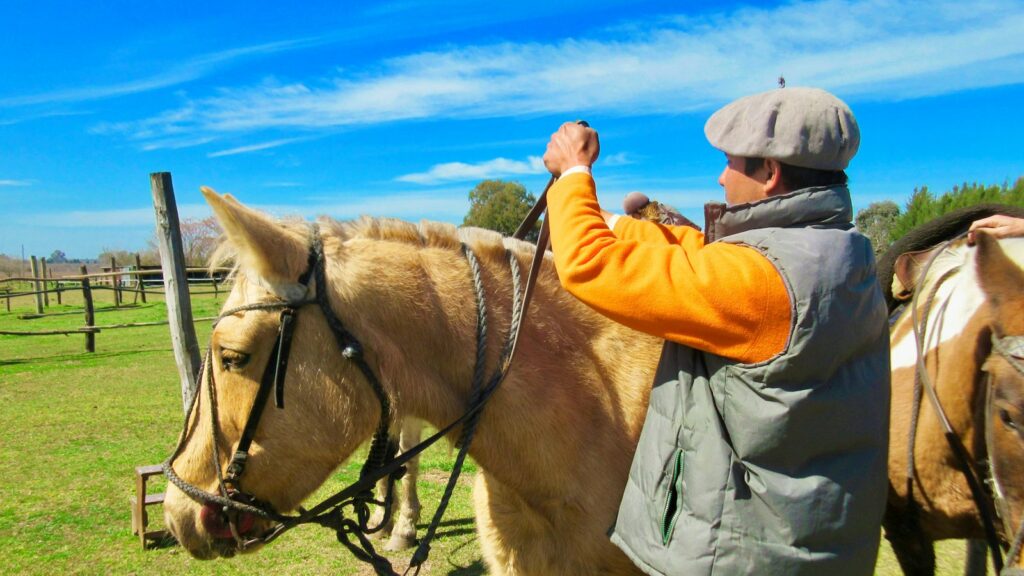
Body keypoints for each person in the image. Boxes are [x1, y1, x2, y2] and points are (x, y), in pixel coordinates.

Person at [541, 87, 890, 576]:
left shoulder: (762, 282)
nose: (721, 176)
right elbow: (704, 254)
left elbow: (589, 265)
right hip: (811, 541)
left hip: (748, 556)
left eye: (732, 163)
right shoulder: (837, 253)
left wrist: (575, 174)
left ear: (769, 174)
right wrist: (613, 221)